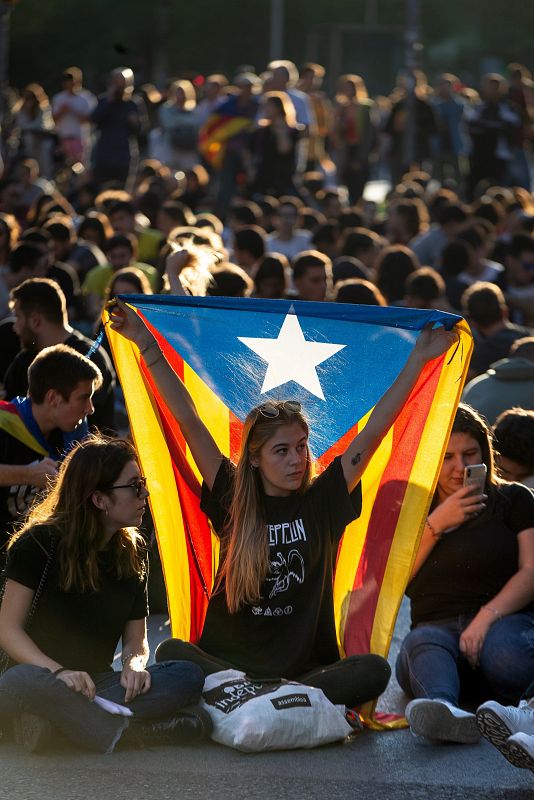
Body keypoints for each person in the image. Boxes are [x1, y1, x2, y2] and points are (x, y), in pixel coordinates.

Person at [109, 297, 456, 710]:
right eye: (282, 451)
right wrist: (146, 343)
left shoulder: (323, 500)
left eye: (302, 447)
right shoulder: (232, 495)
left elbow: (376, 430)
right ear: (254, 458)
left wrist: (418, 358)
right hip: (227, 666)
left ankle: (261, 699)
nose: (296, 459)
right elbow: (188, 418)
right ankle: (266, 697)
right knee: (173, 653)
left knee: (374, 670)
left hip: (305, 672)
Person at [0, 435, 209, 753]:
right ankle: (125, 734)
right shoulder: (39, 543)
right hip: (36, 676)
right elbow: (7, 630)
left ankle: (57, 726)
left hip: (95, 686)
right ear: (99, 499)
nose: (146, 493)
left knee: (187, 674)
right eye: (135, 486)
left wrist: (134, 667)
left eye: (144, 483)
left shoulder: (133, 552)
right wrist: (59, 672)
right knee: (19, 683)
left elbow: (137, 641)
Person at [397, 404, 534, 744]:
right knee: (420, 645)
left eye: (470, 453)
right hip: (435, 635)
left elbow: (531, 571)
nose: (460, 467)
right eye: (447, 457)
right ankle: (446, 713)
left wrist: (485, 618)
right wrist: (436, 525)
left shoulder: (513, 499)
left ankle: (519, 709)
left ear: (485, 453)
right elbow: (395, 583)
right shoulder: (412, 507)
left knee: (504, 654)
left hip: (503, 624)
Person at [0, 344, 102, 567]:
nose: (90, 409)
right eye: (84, 398)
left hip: (40, 558)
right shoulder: (4, 422)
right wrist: (27, 474)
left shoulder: (74, 432)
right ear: (54, 398)